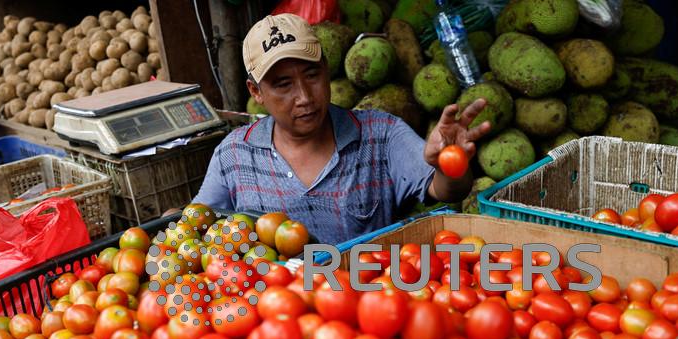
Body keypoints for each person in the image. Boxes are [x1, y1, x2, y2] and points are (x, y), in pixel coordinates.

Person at [192, 13, 490, 244]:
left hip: (369, 306)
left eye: (312, 75)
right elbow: (197, 226)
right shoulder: (234, 154)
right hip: (275, 313)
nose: (305, 97)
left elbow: (447, 190)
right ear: (255, 92)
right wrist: (175, 222)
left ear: (326, 70)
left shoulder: (381, 134)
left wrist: (452, 164)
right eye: (283, 85)